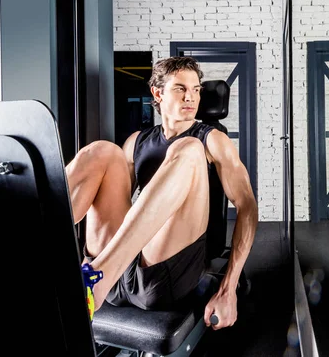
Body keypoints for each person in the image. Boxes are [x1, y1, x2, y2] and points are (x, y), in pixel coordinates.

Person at [66, 56, 258, 330]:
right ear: (158, 93)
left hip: (166, 274)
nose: (191, 97)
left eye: (196, 89)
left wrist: (228, 289)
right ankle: (44, 256)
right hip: (119, 273)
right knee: (102, 151)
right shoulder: (137, 141)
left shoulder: (211, 139)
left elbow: (247, 208)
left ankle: (95, 277)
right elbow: (112, 202)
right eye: (180, 88)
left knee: (189, 148)